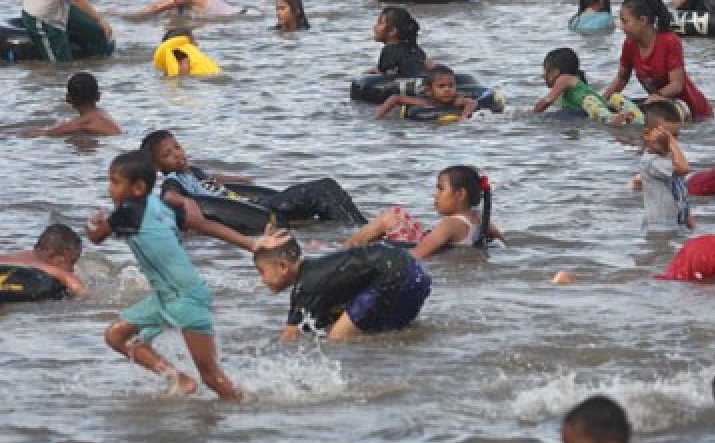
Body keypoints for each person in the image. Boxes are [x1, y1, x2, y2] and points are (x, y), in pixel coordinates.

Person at [86, 151, 281, 401]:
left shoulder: (128, 212)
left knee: (212, 378)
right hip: (166, 297)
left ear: (137, 187)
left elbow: (96, 237)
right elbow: (205, 225)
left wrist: (94, 222)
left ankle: (247, 412)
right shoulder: (161, 207)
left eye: (115, 182)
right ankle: (179, 379)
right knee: (118, 336)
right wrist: (251, 244)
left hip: (185, 299)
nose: (109, 189)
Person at [141, 130, 368, 227]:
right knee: (323, 188)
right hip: (258, 211)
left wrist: (242, 180)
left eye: (177, 147)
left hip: (253, 203)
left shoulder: (193, 172)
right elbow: (168, 194)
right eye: (168, 155)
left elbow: (215, 180)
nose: (178, 155)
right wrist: (184, 202)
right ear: (157, 165)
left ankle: (350, 227)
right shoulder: (174, 180)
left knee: (325, 191)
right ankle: (358, 229)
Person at [253, 238, 431, 340]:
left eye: (262, 272)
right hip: (415, 272)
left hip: (394, 276)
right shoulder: (316, 272)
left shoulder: (305, 287)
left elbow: (289, 338)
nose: (262, 280)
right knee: (388, 332)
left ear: (283, 267)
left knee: (337, 337)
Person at [344, 165, 502, 258]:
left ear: (460, 194)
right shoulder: (479, 219)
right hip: (425, 239)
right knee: (395, 218)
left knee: (390, 217)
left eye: (441, 189)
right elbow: (499, 238)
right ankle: (346, 247)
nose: (436, 195)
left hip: (417, 244)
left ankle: (343, 249)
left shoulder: (451, 223)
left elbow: (418, 254)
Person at [603, 0, 713, 120]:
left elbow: (677, 84)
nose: (622, 27)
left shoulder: (669, 41)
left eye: (625, 21)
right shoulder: (629, 44)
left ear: (643, 21)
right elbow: (622, 78)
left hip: (692, 111)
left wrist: (656, 96)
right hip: (658, 107)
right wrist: (602, 102)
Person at [533, 47, 642, 126]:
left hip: (592, 104)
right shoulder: (571, 81)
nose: (543, 76)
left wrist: (532, 114)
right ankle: (621, 115)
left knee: (599, 111)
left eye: (545, 71)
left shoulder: (564, 79)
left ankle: (614, 119)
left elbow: (547, 101)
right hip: (596, 106)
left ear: (555, 71)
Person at [637, 100, 692, 233]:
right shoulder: (651, 161)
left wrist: (690, 222)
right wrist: (672, 143)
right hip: (659, 229)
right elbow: (684, 169)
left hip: (676, 225)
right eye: (665, 137)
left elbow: (681, 195)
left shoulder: (669, 159)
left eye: (675, 136)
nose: (670, 142)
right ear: (647, 134)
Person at [21, 71, 121, 137]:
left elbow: (47, 134)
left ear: (68, 98)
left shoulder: (82, 122)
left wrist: (8, 134)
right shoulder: (103, 116)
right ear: (99, 96)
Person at [0, 224, 88, 297]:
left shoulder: (22, 256)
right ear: (52, 255)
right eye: (71, 262)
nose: (72, 269)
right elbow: (74, 284)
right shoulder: (43, 267)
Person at [374, 65, 478, 120]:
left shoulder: (455, 101)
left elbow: (471, 102)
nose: (447, 90)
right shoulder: (423, 102)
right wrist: (379, 116)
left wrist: (464, 117)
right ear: (429, 91)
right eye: (441, 86)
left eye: (451, 86)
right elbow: (396, 98)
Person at [370, 7, 435, 76]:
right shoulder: (415, 48)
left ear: (392, 31)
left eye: (380, 23)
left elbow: (386, 75)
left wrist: (377, 72)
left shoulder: (389, 50)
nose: (375, 26)